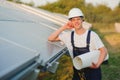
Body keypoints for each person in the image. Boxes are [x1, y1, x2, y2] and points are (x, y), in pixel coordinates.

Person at [48, 8, 108, 80]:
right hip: (78, 72)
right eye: (73, 20)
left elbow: (103, 51)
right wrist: (64, 27)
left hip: (93, 72)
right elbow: (51, 38)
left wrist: (98, 64)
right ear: (70, 22)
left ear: (82, 20)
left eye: (78, 19)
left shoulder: (92, 35)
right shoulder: (68, 36)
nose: (76, 22)